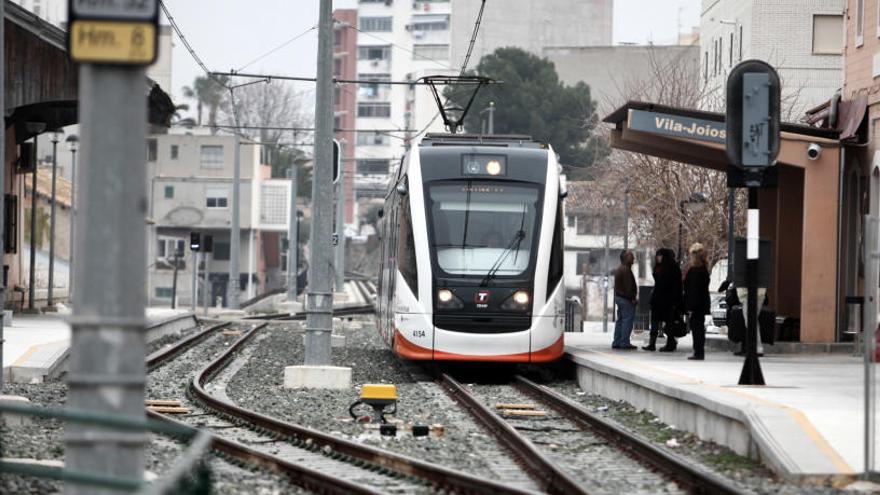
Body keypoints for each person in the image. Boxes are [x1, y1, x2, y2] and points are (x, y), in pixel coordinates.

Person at [644, 248, 682, 352]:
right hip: (658, 299)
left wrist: (676, 301)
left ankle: (670, 343)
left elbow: (676, 286)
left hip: (668, 300)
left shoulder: (673, 268)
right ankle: (652, 343)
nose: (658, 257)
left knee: (669, 323)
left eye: (660, 255)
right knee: (655, 321)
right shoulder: (659, 267)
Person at [683, 243, 711, 360]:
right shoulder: (704, 270)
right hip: (701, 303)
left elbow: (692, 289)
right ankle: (699, 351)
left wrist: (690, 306)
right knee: (698, 327)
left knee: (696, 328)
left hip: (696, 305)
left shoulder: (695, 271)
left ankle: (698, 352)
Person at [612, 250, 638, 350]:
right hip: (625, 299)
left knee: (621, 320)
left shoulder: (621, 269)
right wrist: (632, 298)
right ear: (626, 258)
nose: (633, 258)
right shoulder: (625, 270)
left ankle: (617, 342)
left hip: (620, 298)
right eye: (631, 256)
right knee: (627, 321)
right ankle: (624, 342)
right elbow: (628, 287)